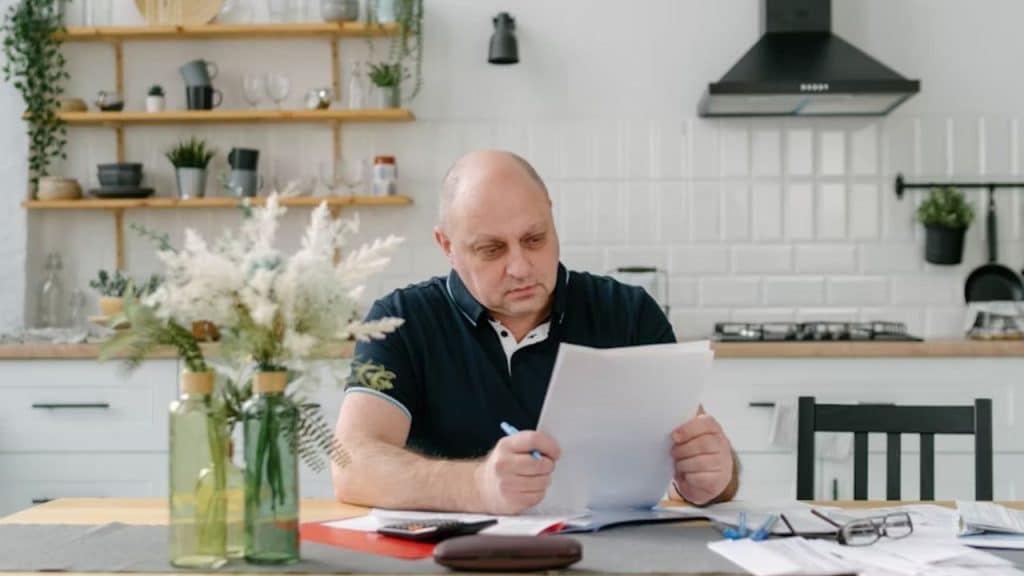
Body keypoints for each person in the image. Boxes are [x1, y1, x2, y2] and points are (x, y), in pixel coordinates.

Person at [332, 149, 738, 514]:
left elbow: (694, 462)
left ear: (552, 217)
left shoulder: (628, 314)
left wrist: (715, 477)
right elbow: (350, 464)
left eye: (534, 238)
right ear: (447, 246)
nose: (521, 267)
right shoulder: (400, 321)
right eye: (491, 249)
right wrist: (477, 486)